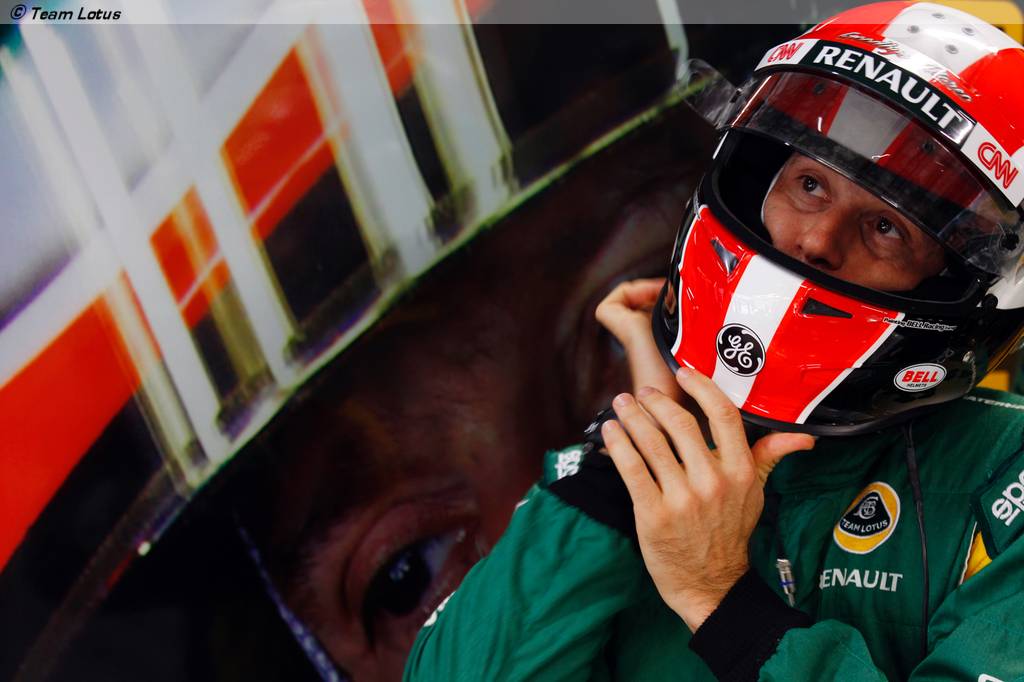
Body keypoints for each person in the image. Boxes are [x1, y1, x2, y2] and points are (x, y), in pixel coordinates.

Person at [403, 3, 1024, 680]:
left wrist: (725, 605)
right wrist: (636, 452)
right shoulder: (627, 458)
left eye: (887, 227)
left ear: (964, 289)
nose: (816, 240)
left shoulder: (1005, 471)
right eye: (809, 184)